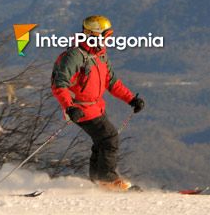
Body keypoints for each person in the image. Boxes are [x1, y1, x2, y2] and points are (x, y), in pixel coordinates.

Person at [51, 15, 145, 191]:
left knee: (101, 142)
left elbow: (112, 82)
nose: (107, 41)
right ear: (94, 34)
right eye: (106, 36)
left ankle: (97, 180)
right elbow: (59, 84)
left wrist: (131, 99)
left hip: (96, 107)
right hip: (80, 108)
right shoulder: (75, 56)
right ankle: (107, 180)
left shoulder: (100, 55)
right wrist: (69, 107)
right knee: (109, 139)